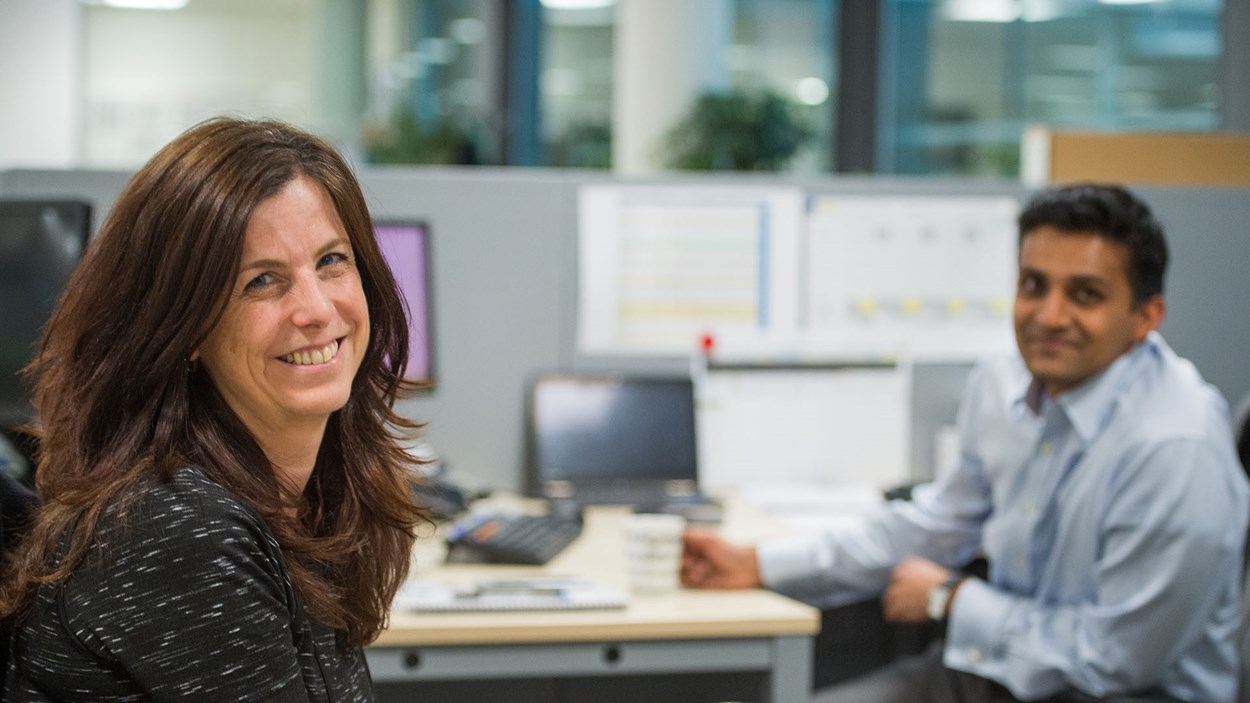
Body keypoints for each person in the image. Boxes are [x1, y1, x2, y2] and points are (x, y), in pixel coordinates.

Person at [683, 183, 1249, 703]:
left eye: (1085, 295)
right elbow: (935, 527)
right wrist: (761, 564)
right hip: (995, 670)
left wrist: (952, 602)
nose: (1049, 316)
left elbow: (1117, 659)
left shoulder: (1175, 449)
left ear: (1146, 316)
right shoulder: (1003, 381)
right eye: (1034, 286)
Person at [0, 117, 427, 701]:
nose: (316, 309)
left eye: (331, 261)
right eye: (261, 282)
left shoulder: (302, 498)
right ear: (186, 328)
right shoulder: (179, 527)